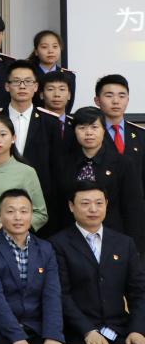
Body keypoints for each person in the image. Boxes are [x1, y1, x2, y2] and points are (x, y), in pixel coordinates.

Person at [51, 182, 145, 344]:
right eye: (85, 203)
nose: (93, 209)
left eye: (99, 203)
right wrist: (87, 330)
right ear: (71, 206)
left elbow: (138, 292)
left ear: (106, 204)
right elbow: (61, 294)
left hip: (121, 331)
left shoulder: (124, 243)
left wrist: (137, 330)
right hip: (78, 334)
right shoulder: (58, 244)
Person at [0, 189, 64, 344]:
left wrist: (52, 336)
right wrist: (16, 336)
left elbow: (52, 295)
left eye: (24, 211)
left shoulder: (45, 249)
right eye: (10, 211)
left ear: (31, 214)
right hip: (0, 333)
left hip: (37, 330)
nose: (18, 217)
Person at [51, 107, 144, 249]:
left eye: (94, 127)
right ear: (74, 131)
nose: (89, 133)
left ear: (104, 130)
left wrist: (135, 247)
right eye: (82, 128)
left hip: (113, 238)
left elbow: (133, 207)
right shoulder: (63, 163)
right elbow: (57, 204)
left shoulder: (122, 164)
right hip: (71, 240)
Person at [0, 59, 62, 203]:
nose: (22, 86)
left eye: (28, 81)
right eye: (16, 81)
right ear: (7, 86)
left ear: (36, 87)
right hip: (0, 193)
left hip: (39, 195)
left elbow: (56, 166)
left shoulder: (50, 122)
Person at [0, 115, 48, 238]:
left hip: (16, 239)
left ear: (13, 138)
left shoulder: (27, 172)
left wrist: (6, 225)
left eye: (3, 134)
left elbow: (41, 214)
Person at [94, 74, 145, 193]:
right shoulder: (89, 133)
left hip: (136, 201)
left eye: (122, 96)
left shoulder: (141, 135)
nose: (116, 101)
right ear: (97, 100)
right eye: (109, 96)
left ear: (128, 100)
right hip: (101, 201)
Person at [29, 29, 76, 111]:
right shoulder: (28, 74)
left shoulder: (69, 75)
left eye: (55, 46)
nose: (50, 51)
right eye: (44, 47)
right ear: (36, 51)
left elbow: (68, 107)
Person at [40, 70, 74, 141]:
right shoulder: (34, 122)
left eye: (62, 89)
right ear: (41, 95)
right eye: (50, 89)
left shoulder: (76, 124)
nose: (57, 94)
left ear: (69, 95)